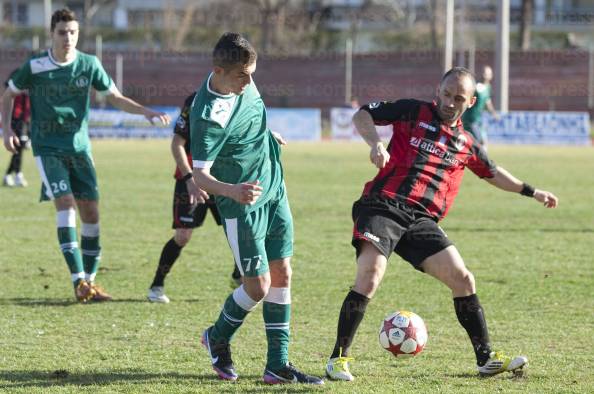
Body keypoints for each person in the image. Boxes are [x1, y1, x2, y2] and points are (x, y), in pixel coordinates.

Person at [324, 67, 558, 381]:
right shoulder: (412, 110)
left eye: (458, 98)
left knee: (463, 279)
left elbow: (493, 172)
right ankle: (338, 360)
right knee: (370, 275)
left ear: (471, 102)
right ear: (439, 90)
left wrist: (532, 191)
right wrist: (375, 144)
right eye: (446, 94)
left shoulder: (466, 143)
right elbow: (363, 114)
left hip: (421, 220)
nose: (449, 102)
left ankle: (485, 359)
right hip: (383, 205)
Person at [1, 9, 170, 303]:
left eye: (73, 32)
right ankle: (78, 278)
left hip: (80, 149)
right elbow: (8, 95)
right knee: (65, 204)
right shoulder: (36, 66)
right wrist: (6, 130)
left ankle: (89, 284)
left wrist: (146, 112)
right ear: (51, 34)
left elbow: (114, 97)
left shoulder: (89, 64)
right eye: (62, 32)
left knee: (91, 215)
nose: (68, 37)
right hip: (48, 148)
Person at [189, 32, 323, 385]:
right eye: (242, 75)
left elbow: (251, 118)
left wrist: (268, 134)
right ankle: (217, 336)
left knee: (283, 273)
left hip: (274, 188)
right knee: (257, 286)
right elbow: (199, 175)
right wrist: (232, 191)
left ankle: (277, 364)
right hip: (242, 205)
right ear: (219, 71)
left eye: (252, 73)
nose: (250, 81)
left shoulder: (242, 81)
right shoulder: (206, 115)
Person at [147, 92, 241, 303]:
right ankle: (157, 285)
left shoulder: (240, 99)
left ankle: (239, 275)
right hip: (191, 178)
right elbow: (177, 143)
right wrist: (190, 179)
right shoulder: (195, 101)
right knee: (182, 235)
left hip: (223, 178)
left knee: (238, 229)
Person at [2, 70, 31, 187]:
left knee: (19, 149)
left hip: (23, 121)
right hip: (16, 120)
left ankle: (11, 175)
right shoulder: (16, 90)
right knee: (18, 149)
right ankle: (15, 175)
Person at [462, 65, 498, 148]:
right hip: (470, 119)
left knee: (481, 142)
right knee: (479, 142)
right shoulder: (476, 87)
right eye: (483, 73)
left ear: (491, 76)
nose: (484, 75)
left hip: (478, 120)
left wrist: (493, 113)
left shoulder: (488, 88)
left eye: (487, 74)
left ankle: (479, 159)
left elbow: (488, 103)